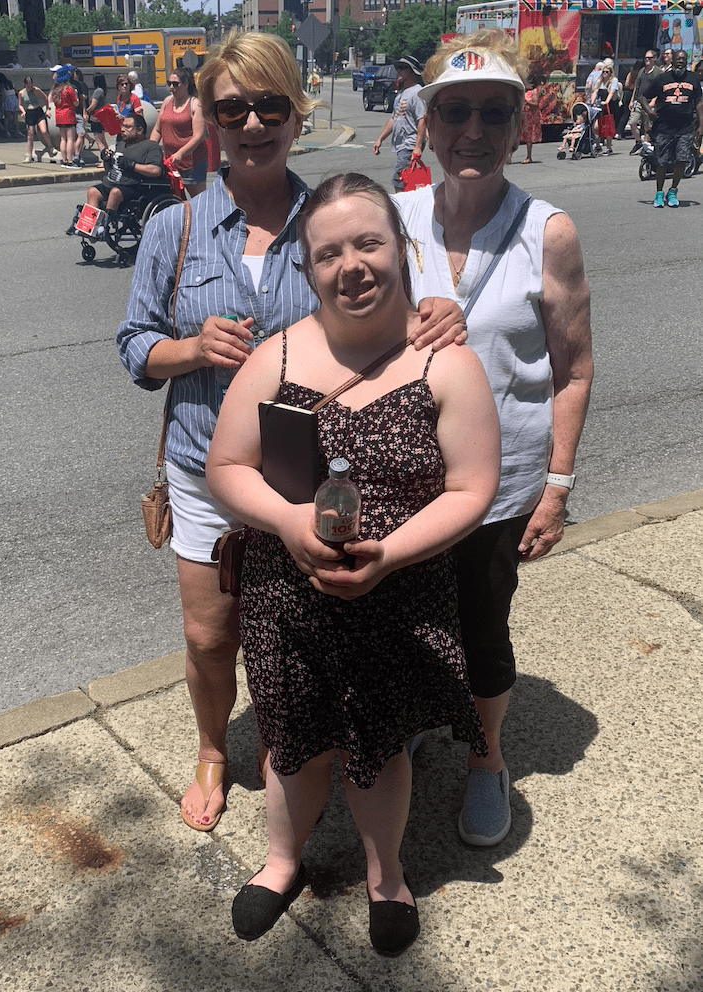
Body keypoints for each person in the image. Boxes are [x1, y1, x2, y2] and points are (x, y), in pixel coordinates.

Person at [115, 30, 464, 837]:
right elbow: (135, 344)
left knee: (307, 630)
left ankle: (294, 744)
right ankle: (212, 748)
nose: (253, 122)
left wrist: (442, 311)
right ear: (208, 117)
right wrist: (191, 349)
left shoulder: (332, 218)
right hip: (206, 468)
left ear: (296, 112)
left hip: (314, 479)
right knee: (210, 634)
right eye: (232, 106)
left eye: (270, 103)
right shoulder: (176, 229)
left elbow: (393, 300)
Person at [205, 173, 501, 955]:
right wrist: (286, 520)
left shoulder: (447, 365)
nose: (353, 266)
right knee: (292, 740)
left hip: (398, 596)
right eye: (329, 252)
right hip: (286, 594)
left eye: (369, 243)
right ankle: (279, 862)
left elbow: (473, 488)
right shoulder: (279, 354)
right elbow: (226, 467)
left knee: (379, 747)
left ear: (401, 251)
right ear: (307, 270)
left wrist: (390, 554)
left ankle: (386, 877)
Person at [393, 30, 593, 848]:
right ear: (426, 125)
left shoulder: (548, 231)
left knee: (481, 624)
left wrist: (557, 487)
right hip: (401, 478)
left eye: (493, 114)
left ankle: (485, 757)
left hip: (500, 484)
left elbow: (573, 370)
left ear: (521, 126)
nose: (472, 130)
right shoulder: (394, 218)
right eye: (454, 112)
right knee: (401, 616)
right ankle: (411, 717)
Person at [75, 113, 163, 236]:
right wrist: (106, 159)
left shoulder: (151, 147)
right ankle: (89, 226)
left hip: (134, 185)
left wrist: (132, 165)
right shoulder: (121, 144)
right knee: (92, 191)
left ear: (139, 130)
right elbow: (110, 169)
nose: (122, 129)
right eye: (122, 126)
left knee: (115, 192)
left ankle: (103, 225)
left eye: (127, 127)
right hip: (114, 182)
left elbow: (155, 170)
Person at [641, 49, 703, 208]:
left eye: (683, 59)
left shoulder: (693, 79)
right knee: (662, 162)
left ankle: (673, 190)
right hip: (664, 128)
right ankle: (659, 193)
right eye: (678, 59)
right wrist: (649, 112)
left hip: (685, 128)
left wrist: (701, 125)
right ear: (673, 61)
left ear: (686, 61)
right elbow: (642, 97)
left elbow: (698, 103)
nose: (680, 61)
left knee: (682, 160)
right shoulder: (662, 79)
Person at [151, 66, 207, 197]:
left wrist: (180, 154)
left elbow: (199, 136)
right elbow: (157, 129)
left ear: (186, 84)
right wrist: (150, 149)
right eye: (169, 84)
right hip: (170, 162)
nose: (171, 87)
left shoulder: (195, 104)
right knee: (176, 198)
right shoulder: (167, 101)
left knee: (199, 199)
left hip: (192, 163)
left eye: (175, 84)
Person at [372, 55, 427, 191]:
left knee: (400, 181)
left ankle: (402, 209)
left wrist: (417, 147)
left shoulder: (417, 93)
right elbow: (394, 118)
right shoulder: (401, 94)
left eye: (403, 68)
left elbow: (422, 119)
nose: (399, 71)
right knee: (407, 182)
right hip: (401, 145)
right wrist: (380, 139)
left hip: (409, 144)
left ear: (412, 71)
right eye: (398, 68)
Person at [18, 75, 58, 162]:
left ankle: (51, 147)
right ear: (25, 85)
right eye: (28, 86)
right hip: (29, 112)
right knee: (30, 134)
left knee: (44, 131)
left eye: (31, 85)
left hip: (38, 111)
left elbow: (45, 98)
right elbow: (20, 104)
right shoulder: (21, 93)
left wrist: (47, 109)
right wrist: (23, 111)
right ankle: (29, 154)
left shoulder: (36, 90)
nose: (30, 87)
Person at [628, 51, 661, 154]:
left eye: (649, 58)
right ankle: (638, 142)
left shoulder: (658, 72)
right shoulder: (642, 71)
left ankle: (646, 145)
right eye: (645, 58)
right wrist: (632, 100)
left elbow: (659, 88)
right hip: (638, 100)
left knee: (647, 125)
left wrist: (654, 101)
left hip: (649, 101)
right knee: (632, 122)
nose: (647, 60)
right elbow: (636, 87)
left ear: (654, 59)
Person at [49, 66, 79, 168]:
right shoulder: (69, 89)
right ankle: (70, 160)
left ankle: (64, 159)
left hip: (59, 115)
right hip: (69, 114)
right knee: (70, 139)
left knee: (63, 139)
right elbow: (76, 103)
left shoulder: (55, 89)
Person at [591, 59, 618, 154]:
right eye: (603, 72)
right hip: (598, 106)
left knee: (607, 127)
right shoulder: (599, 81)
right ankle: (597, 146)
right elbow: (594, 91)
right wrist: (592, 102)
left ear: (611, 73)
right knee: (596, 127)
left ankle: (609, 148)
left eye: (607, 72)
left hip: (609, 106)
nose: (605, 74)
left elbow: (611, 93)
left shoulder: (613, 81)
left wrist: (606, 102)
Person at [84, 73, 110, 161]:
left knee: (98, 140)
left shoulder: (97, 91)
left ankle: (104, 159)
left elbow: (93, 105)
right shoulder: (103, 90)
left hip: (96, 118)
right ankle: (108, 157)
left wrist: (86, 111)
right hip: (101, 118)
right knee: (103, 139)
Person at [68, 65, 88, 169]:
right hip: (68, 114)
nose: (72, 72)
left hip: (78, 113)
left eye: (73, 70)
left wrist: (84, 112)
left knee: (81, 134)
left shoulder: (77, 84)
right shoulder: (63, 85)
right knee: (72, 137)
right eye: (70, 70)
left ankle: (77, 155)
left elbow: (82, 99)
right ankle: (74, 158)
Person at [519, 74, 541, 163]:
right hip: (522, 115)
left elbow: (536, 104)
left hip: (530, 117)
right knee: (516, 134)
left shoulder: (534, 91)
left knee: (528, 137)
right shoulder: (524, 91)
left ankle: (529, 157)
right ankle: (509, 156)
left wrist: (527, 103)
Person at [0, 73, 20, 138]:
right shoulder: (10, 83)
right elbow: (16, 91)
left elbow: (3, 95)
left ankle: (7, 132)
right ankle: (17, 131)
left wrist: (1, 104)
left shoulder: (2, 85)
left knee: (7, 117)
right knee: (15, 117)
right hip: (14, 99)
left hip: (8, 99)